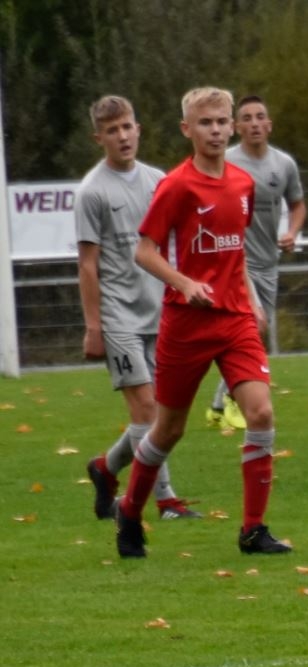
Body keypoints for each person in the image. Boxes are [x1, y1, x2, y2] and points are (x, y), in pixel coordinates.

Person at [114, 87, 292, 559]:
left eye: (221, 121)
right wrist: (184, 282)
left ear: (232, 125)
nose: (215, 130)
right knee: (169, 430)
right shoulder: (176, 186)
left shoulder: (243, 183)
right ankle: (129, 511)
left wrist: (251, 299)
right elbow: (144, 251)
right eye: (205, 122)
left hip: (235, 320)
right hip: (186, 324)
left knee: (261, 413)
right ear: (187, 129)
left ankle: (253, 530)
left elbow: (236, 252)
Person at [75, 95, 202, 522]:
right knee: (147, 411)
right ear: (99, 138)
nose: (123, 136)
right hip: (119, 318)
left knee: (163, 414)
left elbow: (175, 244)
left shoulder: (159, 181)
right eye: (112, 130)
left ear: (139, 129)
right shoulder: (92, 191)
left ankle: (105, 468)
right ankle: (165, 501)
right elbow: (87, 265)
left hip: (160, 312)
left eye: (127, 127)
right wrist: (94, 327)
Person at [205, 94, 307, 429]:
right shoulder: (227, 162)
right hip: (236, 262)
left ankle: (218, 404)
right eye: (246, 118)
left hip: (268, 263)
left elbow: (297, 204)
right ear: (237, 127)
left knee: (252, 334)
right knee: (252, 328)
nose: (254, 123)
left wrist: (292, 232)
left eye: (259, 116)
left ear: (269, 124)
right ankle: (232, 400)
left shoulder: (284, 164)